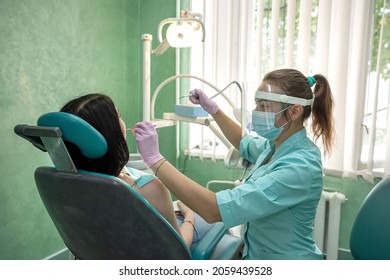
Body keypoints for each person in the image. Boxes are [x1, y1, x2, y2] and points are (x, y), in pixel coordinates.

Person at [133, 68, 335, 259]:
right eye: (257, 104)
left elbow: (214, 210)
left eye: (264, 106)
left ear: (294, 111)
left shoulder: (299, 167)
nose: (256, 111)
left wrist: (155, 160)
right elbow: (244, 142)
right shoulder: (276, 145)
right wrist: (213, 110)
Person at [60, 93, 213, 249]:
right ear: (110, 132)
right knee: (216, 221)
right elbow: (179, 253)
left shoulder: (66, 181)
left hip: (108, 250)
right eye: (118, 116)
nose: (122, 121)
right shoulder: (150, 188)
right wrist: (189, 216)